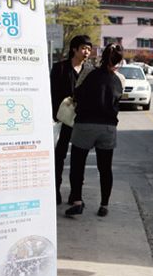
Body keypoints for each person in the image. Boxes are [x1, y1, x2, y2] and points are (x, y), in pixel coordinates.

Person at [65, 43, 125, 217]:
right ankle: (104, 205)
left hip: (85, 124)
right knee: (105, 168)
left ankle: (77, 201)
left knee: (77, 165)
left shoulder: (88, 71)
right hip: (108, 127)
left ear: (101, 55)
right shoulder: (120, 79)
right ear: (119, 60)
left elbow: (77, 92)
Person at [50, 35, 94, 205]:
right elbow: (52, 94)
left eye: (89, 49)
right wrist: (55, 117)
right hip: (62, 120)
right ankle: (55, 192)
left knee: (78, 160)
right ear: (74, 49)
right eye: (83, 48)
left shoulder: (89, 70)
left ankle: (75, 195)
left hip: (80, 121)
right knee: (58, 157)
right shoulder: (60, 68)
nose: (86, 52)